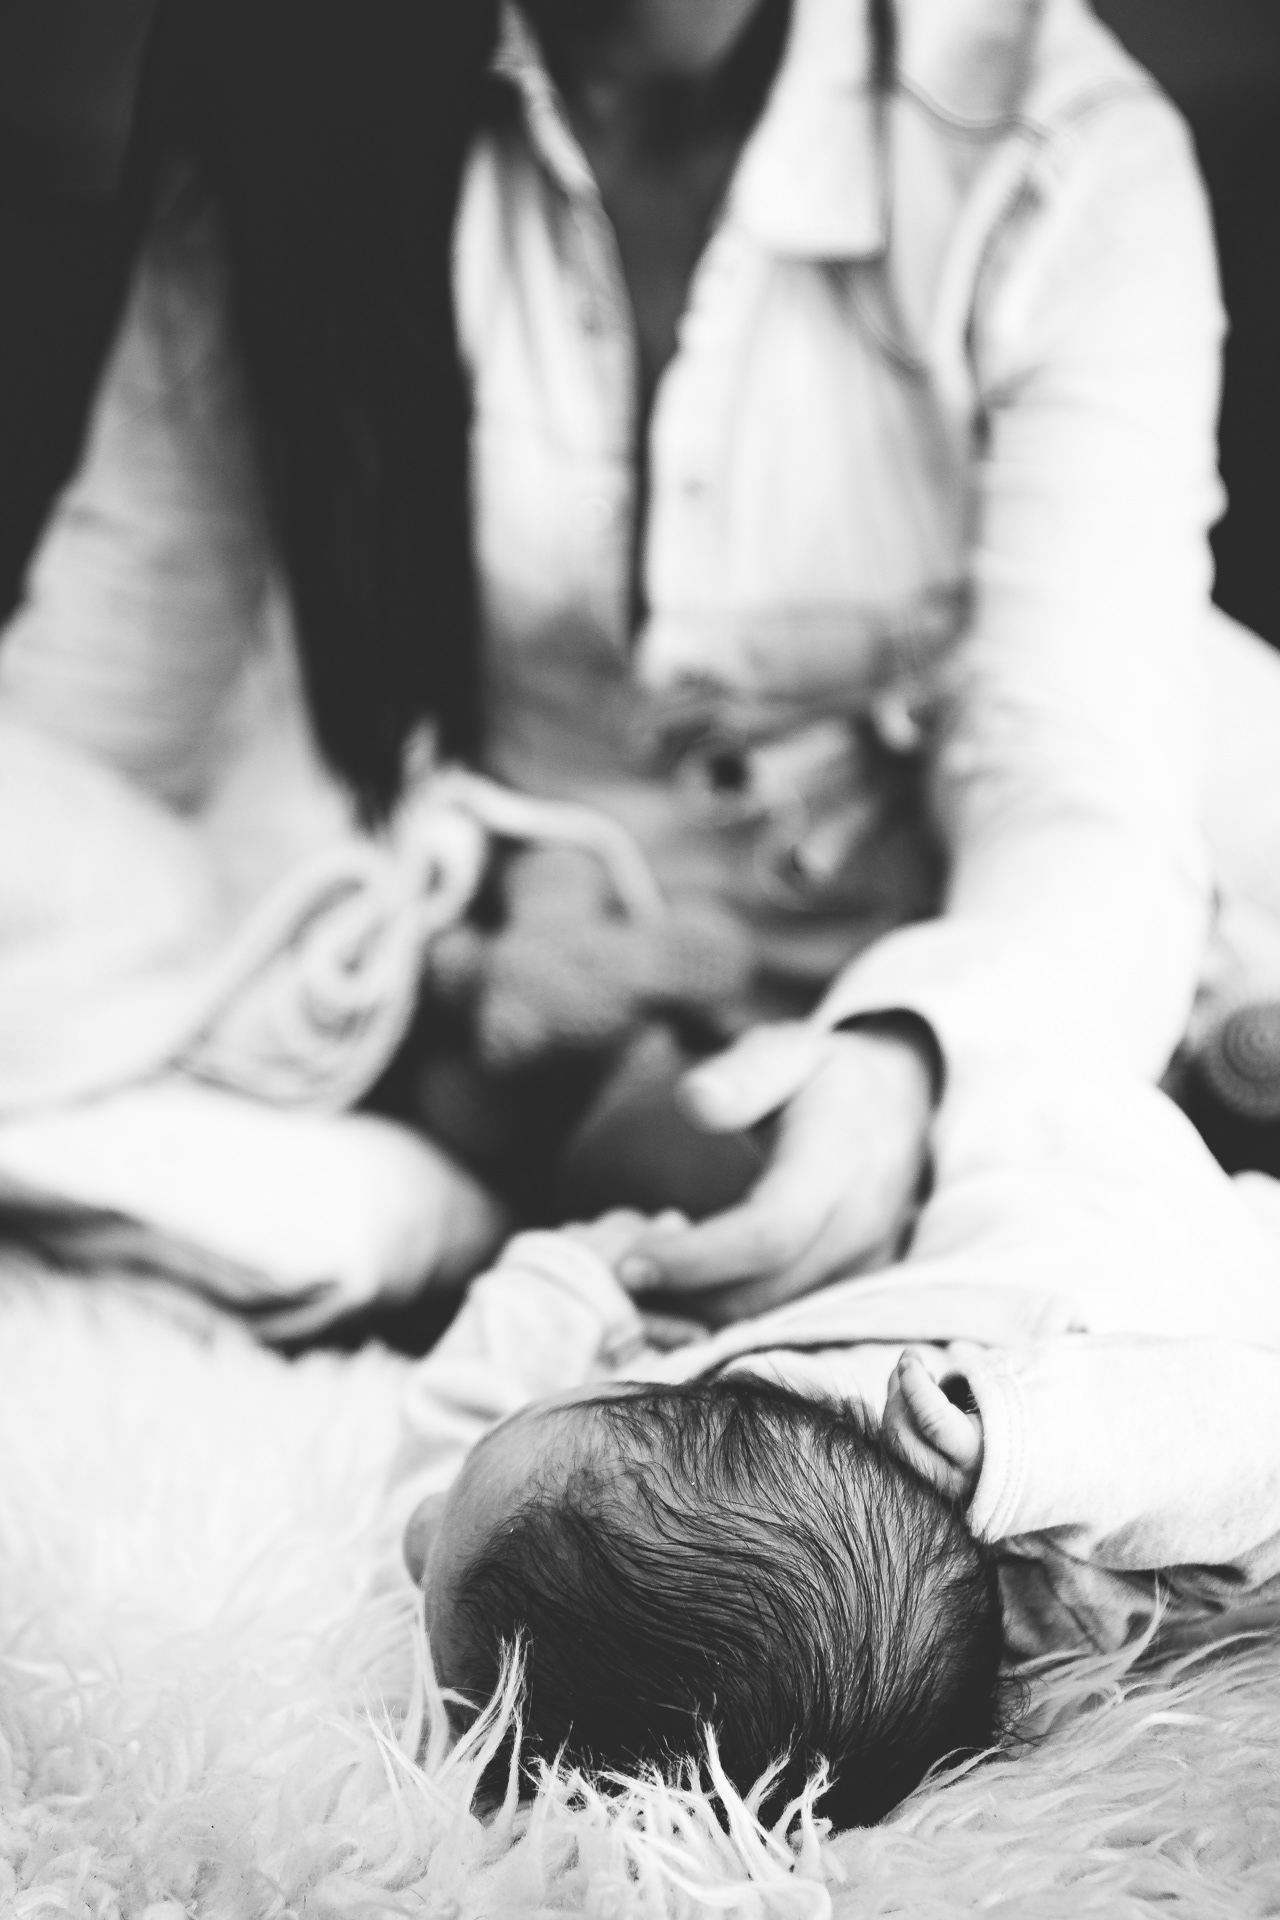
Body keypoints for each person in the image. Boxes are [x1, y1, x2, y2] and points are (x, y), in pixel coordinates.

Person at [4, 0, 1280, 1328]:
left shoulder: (1056, 152)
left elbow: (1074, 775)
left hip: (1012, 917)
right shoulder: (295, 108)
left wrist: (910, 1056)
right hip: (579, 978)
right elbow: (100, 704)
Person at [392, 1059, 1280, 1827]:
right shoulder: (1054, 1587)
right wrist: (1028, 1451)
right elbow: (1257, 1453)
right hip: (1142, 1270)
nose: (412, 1536)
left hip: (947, 1236)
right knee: (1046, 1100)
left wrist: (564, 1278)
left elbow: (482, 1480)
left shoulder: (657, 1484)